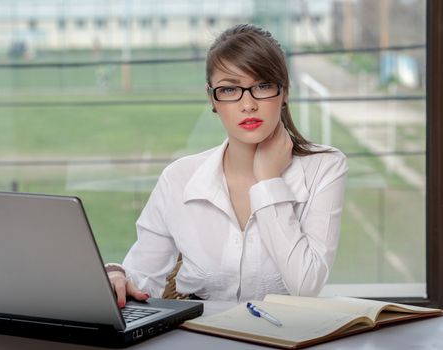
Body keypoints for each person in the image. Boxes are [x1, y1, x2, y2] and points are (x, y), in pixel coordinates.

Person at [105, 23, 348, 307]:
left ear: (284, 92)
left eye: (262, 86)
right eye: (230, 89)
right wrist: (117, 276)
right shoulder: (179, 178)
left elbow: (306, 285)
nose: (248, 104)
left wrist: (269, 181)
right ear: (213, 99)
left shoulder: (325, 167)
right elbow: (142, 279)